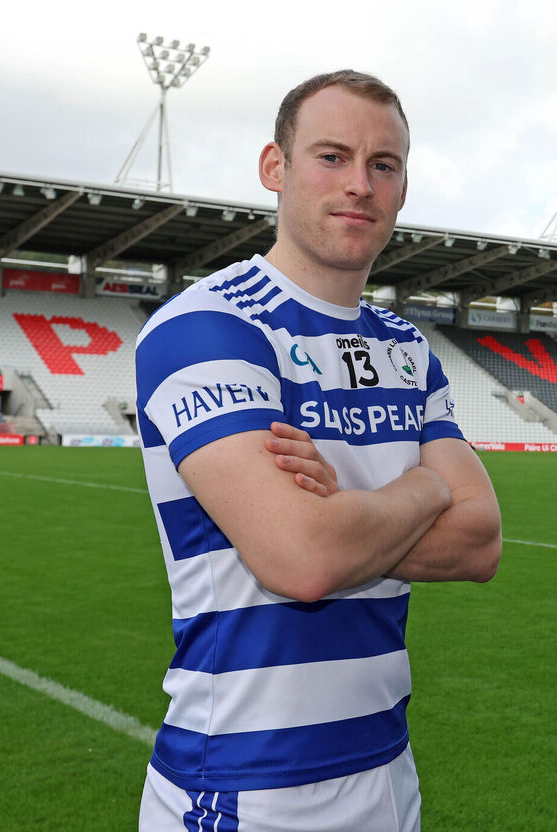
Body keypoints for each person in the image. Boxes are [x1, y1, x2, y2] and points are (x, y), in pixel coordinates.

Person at [135, 70, 502, 831]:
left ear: (402, 189)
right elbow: (302, 559)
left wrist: (345, 515)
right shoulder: (207, 327)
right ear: (275, 167)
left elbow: (480, 540)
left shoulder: (407, 349)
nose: (359, 184)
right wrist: (424, 489)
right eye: (332, 157)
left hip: (388, 772)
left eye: (383, 165)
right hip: (246, 787)